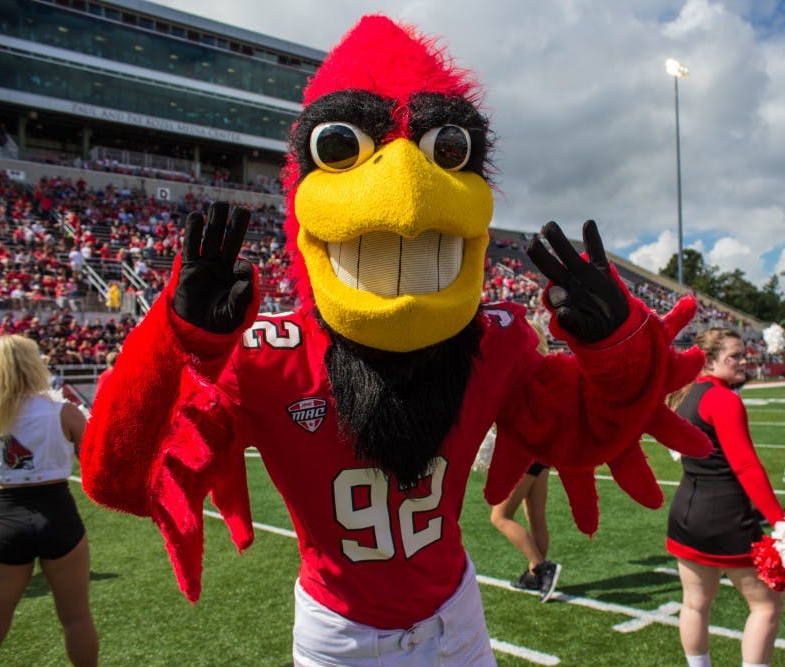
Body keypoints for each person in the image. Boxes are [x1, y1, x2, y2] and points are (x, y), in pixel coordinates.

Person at [78, 15, 707, 666]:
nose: (406, 193)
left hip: (456, 617)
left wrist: (617, 343)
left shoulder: (494, 340)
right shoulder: (269, 355)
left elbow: (588, 427)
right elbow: (124, 477)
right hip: (340, 633)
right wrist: (181, 341)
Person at [666, 327, 785, 667]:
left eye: (743, 354)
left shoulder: (686, 396)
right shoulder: (723, 398)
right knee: (766, 606)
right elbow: (746, 465)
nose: (743, 361)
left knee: (694, 603)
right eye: (734, 356)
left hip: (686, 510)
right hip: (727, 516)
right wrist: (780, 521)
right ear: (709, 360)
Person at [0, 335, 98, 666]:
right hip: (57, 514)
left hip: (3, 517)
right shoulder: (65, 412)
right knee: (76, 617)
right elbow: (95, 466)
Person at [490, 320, 560, 603]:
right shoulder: (548, 368)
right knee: (536, 516)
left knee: (500, 516)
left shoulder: (519, 371)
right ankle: (534, 573)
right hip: (542, 451)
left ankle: (542, 568)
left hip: (523, 452)